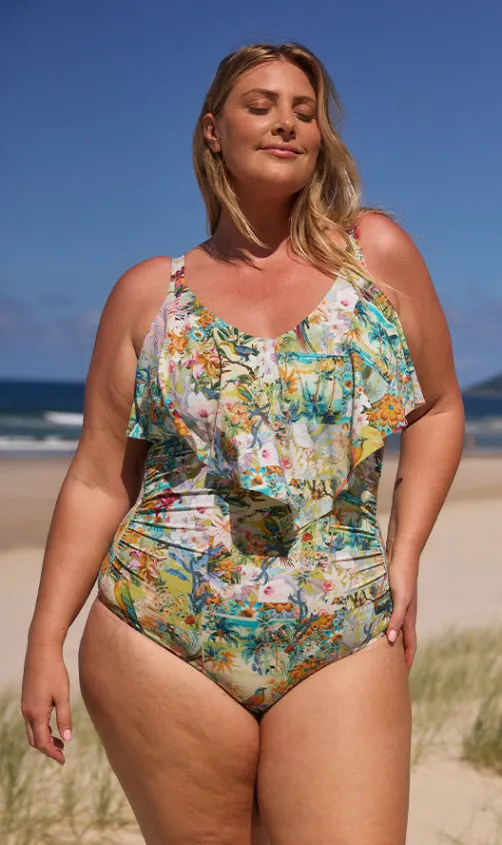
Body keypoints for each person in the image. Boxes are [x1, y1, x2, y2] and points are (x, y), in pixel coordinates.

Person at [21, 41, 465, 845]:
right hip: (160, 633)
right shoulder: (149, 295)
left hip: (341, 626)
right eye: (260, 106)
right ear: (212, 132)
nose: (286, 123)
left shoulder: (375, 257)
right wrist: (45, 639)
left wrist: (405, 555)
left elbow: (435, 407)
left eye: (305, 112)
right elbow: (97, 477)